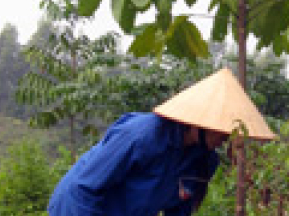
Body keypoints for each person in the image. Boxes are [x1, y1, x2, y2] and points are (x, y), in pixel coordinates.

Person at [47, 68, 276, 216]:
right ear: (199, 123)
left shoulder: (204, 162)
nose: (225, 139)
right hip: (78, 206)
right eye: (222, 131)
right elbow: (86, 187)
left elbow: (181, 209)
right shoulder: (142, 135)